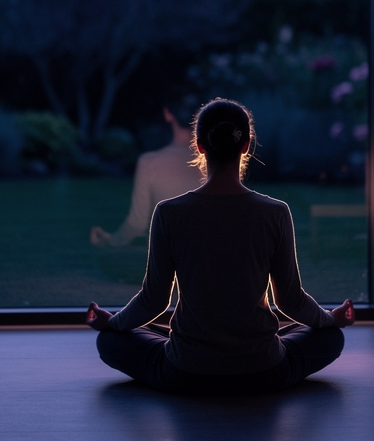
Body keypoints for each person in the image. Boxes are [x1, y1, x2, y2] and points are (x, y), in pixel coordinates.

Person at [86, 98, 354, 394]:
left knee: (110, 340)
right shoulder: (275, 212)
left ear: (199, 146)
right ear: (247, 145)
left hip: (186, 371)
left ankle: (174, 344)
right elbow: (290, 301)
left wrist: (114, 324)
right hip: (264, 370)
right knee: (329, 336)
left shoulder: (169, 212)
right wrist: (330, 319)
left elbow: (154, 301)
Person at [89, 97, 203, 248]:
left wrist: (109, 240)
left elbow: (137, 225)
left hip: (173, 256)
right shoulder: (219, 160)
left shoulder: (149, 163)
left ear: (168, 114)